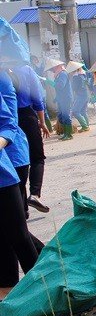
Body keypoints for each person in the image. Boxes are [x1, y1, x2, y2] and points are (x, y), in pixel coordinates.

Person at [0, 93, 40, 301]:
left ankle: (43, 295)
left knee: (19, 236)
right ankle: (9, 298)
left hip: (2, 178)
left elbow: (8, 123)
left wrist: (2, 140)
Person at [4, 61, 50, 214]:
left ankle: (21, 205)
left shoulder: (3, 73)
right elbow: (37, 98)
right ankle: (35, 194)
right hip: (26, 117)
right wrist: (42, 122)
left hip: (6, 119)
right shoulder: (26, 70)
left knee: (16, 161)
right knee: (37, 158)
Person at [47, 58, 73, 140]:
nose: (52, 70)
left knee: (65, 116)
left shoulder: (62, 74)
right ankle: (65, 133)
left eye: (53, 68)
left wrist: (51, 82)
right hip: (62, 98)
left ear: (58, 66)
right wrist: (56, 98)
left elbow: (60, 86)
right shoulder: (59, 74)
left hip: (66, 99)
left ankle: (68, 134)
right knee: (61, 116)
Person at [68, 61, 90, 132]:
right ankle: (87, 126)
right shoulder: (83, 74)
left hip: (80, 95)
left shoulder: (76, 77)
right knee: (83, 111)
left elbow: (74, 87)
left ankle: (85, 126)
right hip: (86, 94)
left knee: (75, 111)